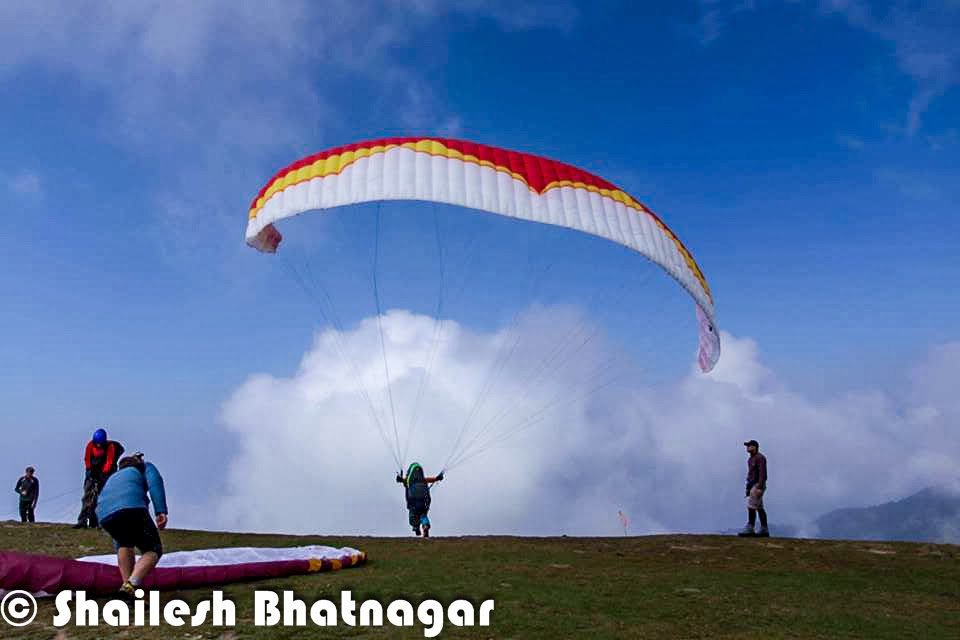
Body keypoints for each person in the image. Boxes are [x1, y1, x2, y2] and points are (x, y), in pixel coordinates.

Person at [95, 452, 168, 597]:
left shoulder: (114, 476)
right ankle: (131, 584)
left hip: (104, 513)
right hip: (132, 507)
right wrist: (161, 511)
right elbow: (155, 482)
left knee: (124, 543)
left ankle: (127, 590)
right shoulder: (144, 467)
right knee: (153, 549)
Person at [75, 428, 125, 529]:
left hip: (105, 474)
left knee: (101, 498)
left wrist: (103, 475)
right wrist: (89, 472)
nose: (98, 446)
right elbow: (87, 459)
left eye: (100, 444)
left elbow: (109, 461)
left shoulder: (110, 447)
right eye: (97, 443)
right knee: (87, 497)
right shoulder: (90, 445)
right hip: (92, 473)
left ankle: (100, 522)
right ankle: (82, 521)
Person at [395, 463, 443, 537]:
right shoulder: (422, 480)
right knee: (423, 514)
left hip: (413, 501)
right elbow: (430, 479)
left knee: (413, 515)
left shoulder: (409, 480)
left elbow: (403, 480)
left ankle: (416, 527)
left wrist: (400, 479)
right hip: (424, 501)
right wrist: (437, 478)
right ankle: (425, 525)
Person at [738, 439, 769, 537]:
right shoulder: (750, 459)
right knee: (759, 508)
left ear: (755, 447)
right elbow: (750, 474)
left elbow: (762, 473)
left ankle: (750, 527)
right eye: (747, 446)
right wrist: (748, 488)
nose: (747, 447)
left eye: (750, 445)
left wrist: (760, 487)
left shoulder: (760, 458)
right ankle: (764, 529)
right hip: (753, 485)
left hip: (758, 485)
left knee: (751, 506)